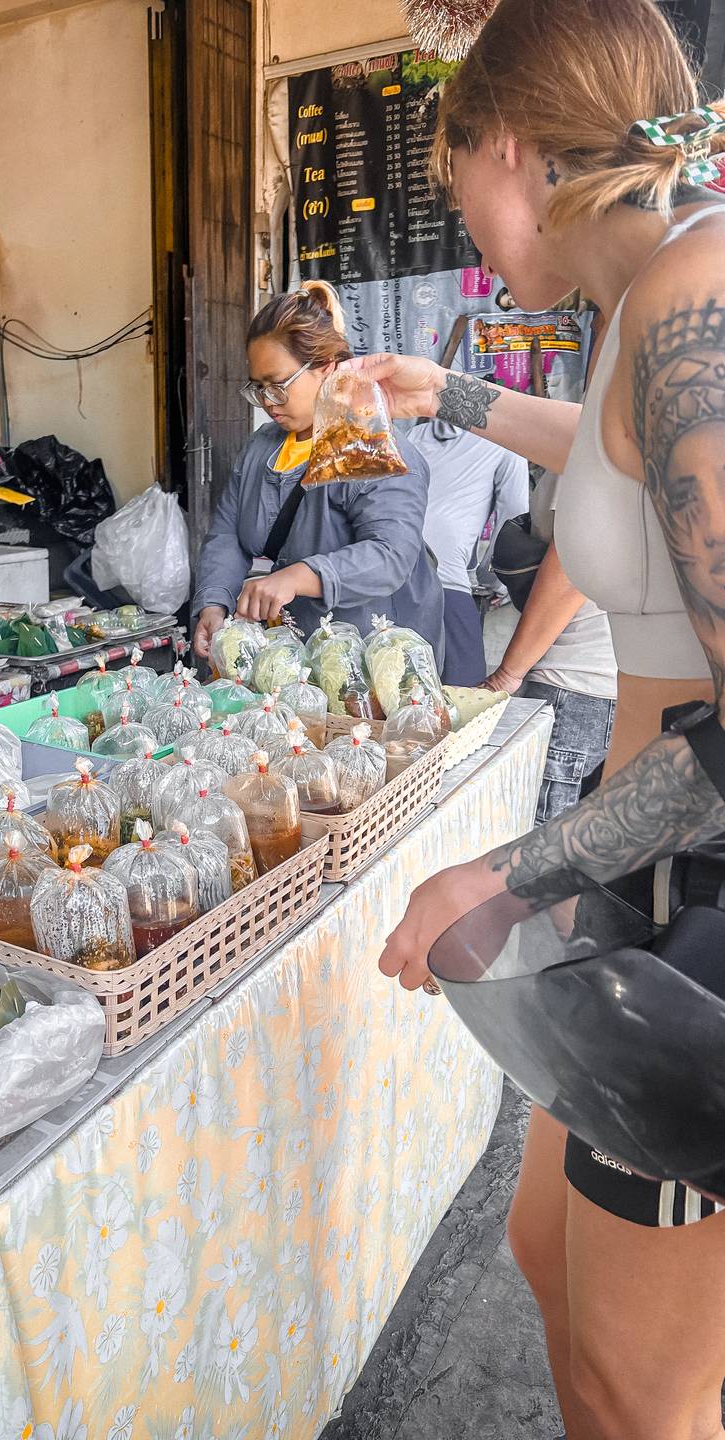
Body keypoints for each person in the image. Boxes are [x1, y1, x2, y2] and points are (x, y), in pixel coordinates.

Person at [353, 4, 725, 1437]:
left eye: (451, 174)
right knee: (548, 1259)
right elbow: (628, 457)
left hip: (697, 921)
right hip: (635, 899)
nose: (456, 210)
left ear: (504, 144)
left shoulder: (696, 298)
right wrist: (453, 394)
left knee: (641, 1385)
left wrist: (508, 873)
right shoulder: (649, 306)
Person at [191, 281, 444, 663]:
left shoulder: (374, 448)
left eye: (278, 386)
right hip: (299, 655)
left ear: (326, 369)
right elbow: (227, 535)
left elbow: (390, 555)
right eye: (258, 387)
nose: (268, 402)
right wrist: (214, 602)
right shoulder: (261, 448)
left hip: (378, 656)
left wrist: (298, 576)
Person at [486, 471, 618, 823]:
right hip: (600, 680)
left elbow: (573, 569)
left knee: (535, 835)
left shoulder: (586, 462)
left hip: (572, 683)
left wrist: (506, 675)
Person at [415, 418, 529, 685]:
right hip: (446, 580)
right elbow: (514, 521)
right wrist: (496, 581)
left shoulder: (414, 435)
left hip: (390, 578)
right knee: (468, 692)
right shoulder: (507, 439)